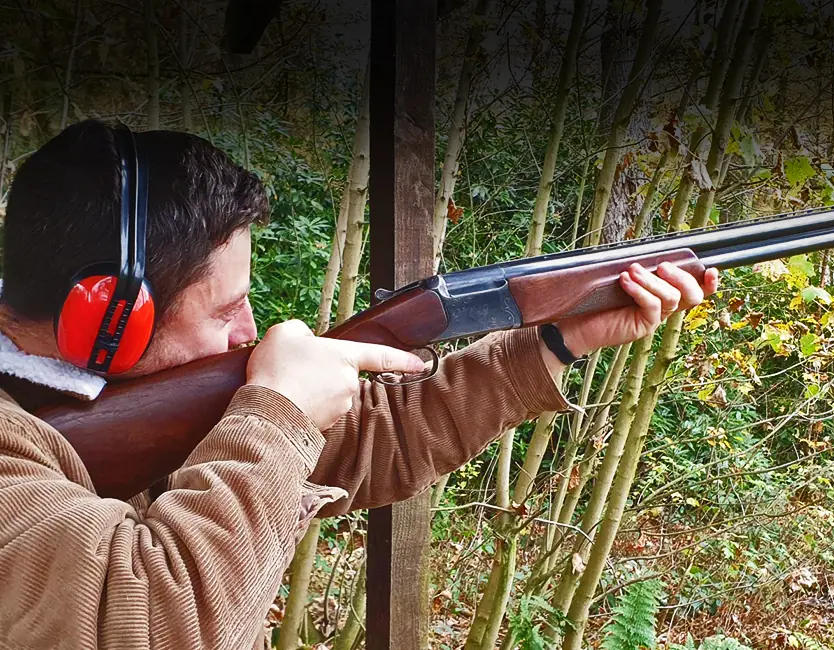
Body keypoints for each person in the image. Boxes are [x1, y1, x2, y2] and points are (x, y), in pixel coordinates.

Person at [0, 120, 718, 650]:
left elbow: (383, 433)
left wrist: (559, 340)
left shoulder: (105, 404)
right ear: (108, 316)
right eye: (225, 308)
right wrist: (276, 412)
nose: (249, 330)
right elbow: (158, 623)